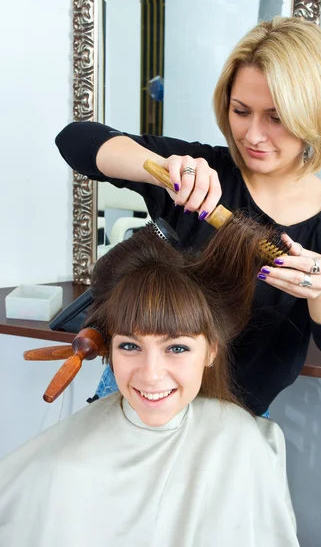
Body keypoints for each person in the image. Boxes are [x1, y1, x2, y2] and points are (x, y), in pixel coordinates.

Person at [56, 16, 321, 416]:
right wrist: (163, 168)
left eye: (276, 118)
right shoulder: (201, 173)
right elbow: (74, 140)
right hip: (137, 392)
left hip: (237, 417)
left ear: (315, 116)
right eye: (241, 111)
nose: (253, 135)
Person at [0, 216, 299, 547]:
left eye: (176, 347)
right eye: (130, 346)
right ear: (110, 350)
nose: (151, 374)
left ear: (210, 351)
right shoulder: (63, 466)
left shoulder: (246, 447)